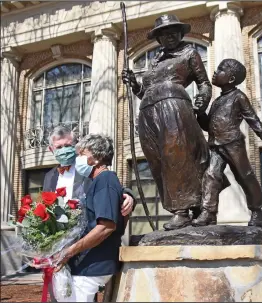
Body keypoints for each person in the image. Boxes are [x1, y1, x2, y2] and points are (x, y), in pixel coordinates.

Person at [122, 14, 212, 230]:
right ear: (158, 38)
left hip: (174, 106)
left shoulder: (190, 53)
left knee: (176, 156)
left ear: (180, 33)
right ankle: (178, 208)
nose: (169, 36)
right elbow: (145, 93)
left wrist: (201, 104)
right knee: (156, 159)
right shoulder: (155, 61)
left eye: (173, 31)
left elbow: (204, 84)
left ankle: (184, 210)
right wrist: (134, 84)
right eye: (163, 33)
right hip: (148, 112)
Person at [193, 59, 262, 227]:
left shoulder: (238, 97)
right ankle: (209, 213)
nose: (215, 72)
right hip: (216, 145)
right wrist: (200, 113)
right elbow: (207, 126)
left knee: (244, 176)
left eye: (220, 69)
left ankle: (256, 211)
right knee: (211, 175)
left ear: (231, 79)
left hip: (233, 144)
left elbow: (252, 118)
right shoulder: (216, 101)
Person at [54, 134, 127, 302]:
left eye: (82, 154)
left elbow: (106, 226)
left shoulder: (106, 180)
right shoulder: (98, 181)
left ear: (97, 157)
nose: (77, 159)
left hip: (94, 266)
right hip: (88, 265)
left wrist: (69, 251)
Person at [43, 125, 135, 217]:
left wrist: (128, 195)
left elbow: (110, 184)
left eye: (67, 146)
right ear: (51, 150)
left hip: (88, 227)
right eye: (59, 147)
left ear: (75, 146)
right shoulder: (49, 176)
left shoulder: (87, 167)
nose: (64, 150)